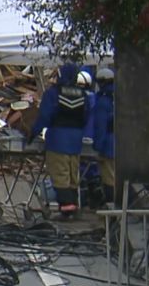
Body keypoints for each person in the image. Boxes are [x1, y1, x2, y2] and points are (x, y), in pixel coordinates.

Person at [30, 63, 94, 218]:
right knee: (73, 175)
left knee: (60, 175)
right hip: (76, 141)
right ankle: (72, 207)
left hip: (58, 140)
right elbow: (86, 117)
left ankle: (66, 210)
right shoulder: (83, 95)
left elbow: (44, 116)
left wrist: (32, 135)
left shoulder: (53, 94)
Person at [86, 67, 116, 207]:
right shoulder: (120, 97)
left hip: (108, 145)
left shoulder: (103, 101)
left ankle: (112, 207)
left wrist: (97, 148)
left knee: (109, 178)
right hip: (124, 144)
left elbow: (100, 127)